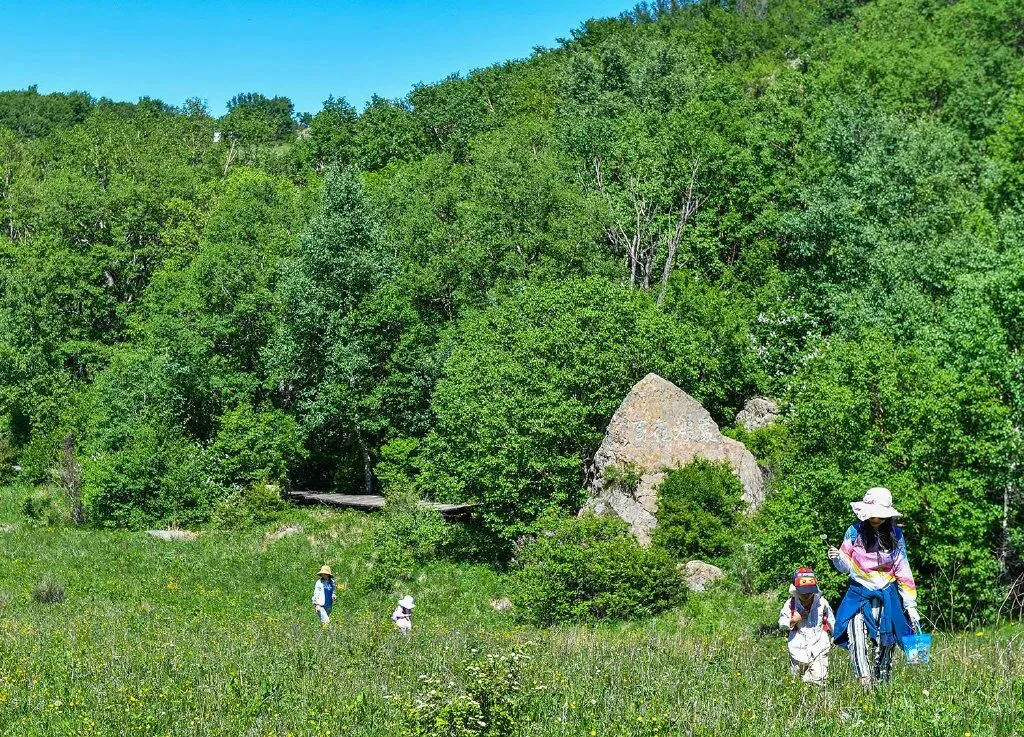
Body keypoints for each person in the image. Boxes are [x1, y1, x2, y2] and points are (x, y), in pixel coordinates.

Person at [828, 487, 921, 689]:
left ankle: (883, 682)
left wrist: (911, 604)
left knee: (886, 642)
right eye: (872, 515)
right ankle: (865, 681)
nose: (875, 519)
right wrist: (837, 559)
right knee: (856, 639)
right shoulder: (854, 532)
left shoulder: (896, 534)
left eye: (879, 515)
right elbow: (845, 565)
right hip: (858, 593)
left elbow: (902, 567)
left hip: (887, 594)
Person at [778, 567, 835, 686]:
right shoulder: (791, 604)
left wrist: (836, 635)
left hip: (819, 645)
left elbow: (830, 619)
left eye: (809, 593)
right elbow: (781, 622)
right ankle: (804, 697)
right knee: (798, 680)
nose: (806, 596)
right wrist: (793, 620)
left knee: (819, 677)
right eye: (803, 593)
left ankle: (818, 699)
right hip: (797, 648)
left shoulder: (821, 603)